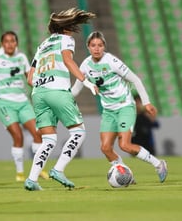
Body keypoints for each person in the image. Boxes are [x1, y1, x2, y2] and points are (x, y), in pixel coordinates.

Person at [71, 31, 167, 184]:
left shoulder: (112, 61)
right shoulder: (85, 65)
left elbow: (135, 79)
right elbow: (75, 90)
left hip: (125, 107)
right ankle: (126, 174)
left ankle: (158, 164)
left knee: (124, 145)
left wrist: (146, 102)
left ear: (104, 47)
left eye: (100, 45)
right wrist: (60, 101)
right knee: (105, 148)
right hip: (109, 111)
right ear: (88, 47)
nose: (97, 48)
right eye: (93, 45)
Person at [24, 8, 97, 191]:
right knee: (79, 133)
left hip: (38, 92)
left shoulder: (42, 45)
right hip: (57, 90)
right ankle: (58, 169)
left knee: (48, 140)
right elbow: (68, 61)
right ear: (66, 27)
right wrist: (86, 82)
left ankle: (32, 180)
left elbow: (29, 78)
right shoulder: (66, 40)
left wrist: (44, 84)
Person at [0, 31, 48, 182]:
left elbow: (29, 77)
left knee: (37, 133)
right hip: (5, 103)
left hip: (23, 102)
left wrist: (40, 88)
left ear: (16, 43)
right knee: (18, 136)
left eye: (12, 41)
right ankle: (20, 173)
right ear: (2, 44)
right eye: (6, 41)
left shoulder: (21, 58)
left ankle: (38, 169)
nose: (9, 44)